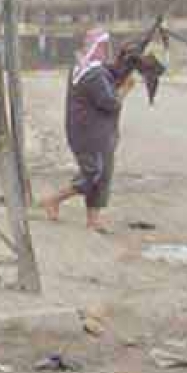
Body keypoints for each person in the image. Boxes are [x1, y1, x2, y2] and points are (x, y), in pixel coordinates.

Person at [39, 27, 136, 232]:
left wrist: (125, 59)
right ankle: (54, 199)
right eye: (104, 46)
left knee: (102, 173)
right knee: (94, 173)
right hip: (91, 133)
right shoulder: (93, 74)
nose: (106, 50)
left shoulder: (84, 67)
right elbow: (111, 103)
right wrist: (126, 88)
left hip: (89, 131)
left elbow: (111, 72)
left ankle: (93, 220)